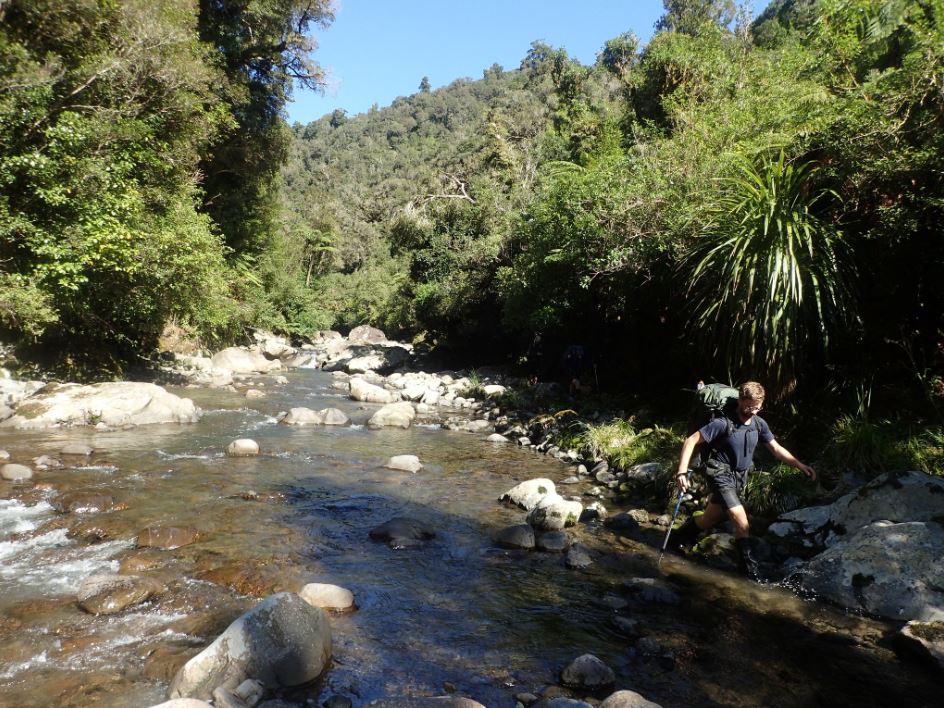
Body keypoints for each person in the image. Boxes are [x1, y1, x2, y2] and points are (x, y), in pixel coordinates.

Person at [673, 381, 816, 580]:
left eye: (757, 407)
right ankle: (750, 573)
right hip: (720, 474)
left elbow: (776, 449)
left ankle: (676, 539)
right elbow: (691, 440)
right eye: (749, 407)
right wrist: (681, 472)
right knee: (742, 523)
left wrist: (799, 465)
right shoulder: (723, 423)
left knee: (709, 519)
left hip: (739, 477)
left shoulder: (759, 424)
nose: (752, 411)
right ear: (740, 400)